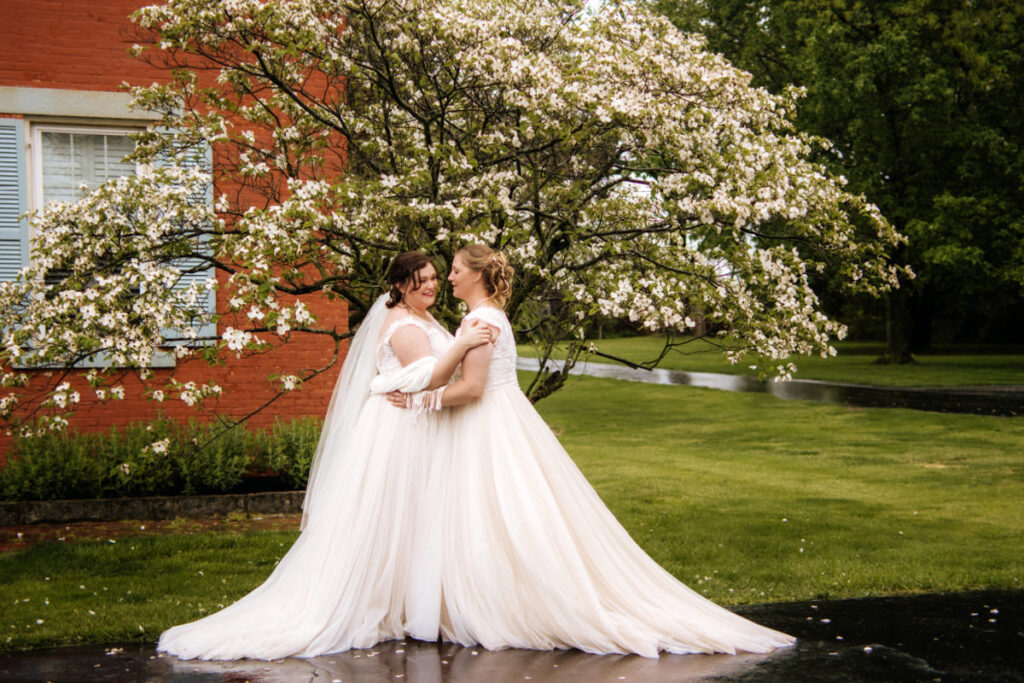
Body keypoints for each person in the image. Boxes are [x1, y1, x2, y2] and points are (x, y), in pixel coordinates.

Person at [391, 244, 796, 658]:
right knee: (507, 512)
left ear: (476, 275)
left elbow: (474, 388)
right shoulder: (491, 316)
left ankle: (506, 601)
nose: (450, 277)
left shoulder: (480, 319)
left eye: (456, 270)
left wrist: (421, 400)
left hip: (486, 423)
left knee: (495, 512)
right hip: (503, 418)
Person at [157, 251, 491, 660]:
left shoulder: (422, 318)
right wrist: (464, 344)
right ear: (401, 284)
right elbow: (428, 377)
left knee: (416, 517)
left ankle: (413, 603)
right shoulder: (404, 325)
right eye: (421, 279)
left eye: (435, 277)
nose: (431, 285)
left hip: (416, 424)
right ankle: (379, 604)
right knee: (394, 515)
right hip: (402, 430)